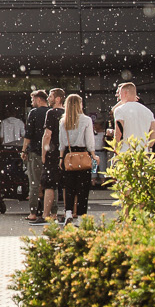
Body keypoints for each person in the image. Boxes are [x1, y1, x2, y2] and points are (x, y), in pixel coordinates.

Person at [51, 93, 95, 224]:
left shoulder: (63, 121)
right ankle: (81, 216)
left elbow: (61, 142)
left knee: (68, 187)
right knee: (83, 188)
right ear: (79, 104)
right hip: (82, 155)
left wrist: (60, 158)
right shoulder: (86, 120)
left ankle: (68, 212)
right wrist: (93, 155)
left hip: (68, 156)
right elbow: (90, 141)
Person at [38, 88, 67, 223]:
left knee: (49, 185)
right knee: (66, 184)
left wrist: (44, 153)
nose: (48, 98)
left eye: (50, 96)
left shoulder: (51, 113)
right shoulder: (67, 113)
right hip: (66, 153)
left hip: (53, 153)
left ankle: (46, 215)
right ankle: (68, 214)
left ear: (58, 99)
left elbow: (47, 135)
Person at [22, 90, 50, 225]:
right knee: (50, 184)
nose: (32, 103)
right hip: (50, 152)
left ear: (39, 99)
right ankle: (51, 212)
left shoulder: (33, 113)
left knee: (34, 183)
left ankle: (33, 212)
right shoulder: (51, 112)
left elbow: (28, 134)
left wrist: (23, 150)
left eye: (33, 100)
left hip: (35, 152)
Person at [110, 82, 155, 153]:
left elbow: (118, 133)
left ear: (125, 93)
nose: (119, 97)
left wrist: (116, 149)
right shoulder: (148, 111)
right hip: (143, 153)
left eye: (120, 94)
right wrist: (147, 147)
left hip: (126, 152)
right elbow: (154, 135)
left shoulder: (119, 110)